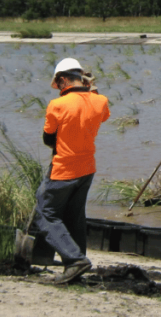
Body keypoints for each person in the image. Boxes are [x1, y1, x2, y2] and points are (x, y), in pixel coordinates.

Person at [35, 57, 110, 284]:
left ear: (64, 79)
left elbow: (48, 138)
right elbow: (102, 112)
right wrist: (90, 89)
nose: (58, 88)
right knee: (75, 217)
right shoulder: (100, 101)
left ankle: (74, 260)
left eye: (58, 83)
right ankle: (76, 264)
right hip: (87, 168)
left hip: (63, 169)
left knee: (45, 213)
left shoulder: (57, 105)